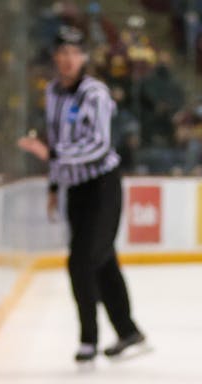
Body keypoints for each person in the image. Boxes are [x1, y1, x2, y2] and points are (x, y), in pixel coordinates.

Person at [17, 26, 146, 364]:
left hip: (103, 186)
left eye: (74, 53)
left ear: (84, 58)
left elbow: (100, 145)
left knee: (85, 259)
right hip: (76, 188)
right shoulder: (53, 93)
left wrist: (54, 156)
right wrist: (54, 184)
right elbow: (57, 136)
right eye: (62, 53)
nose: (68, 60)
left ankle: (89, 339)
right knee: (100, 258)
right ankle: (128, 331)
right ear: (56, 59)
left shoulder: (95, 94)